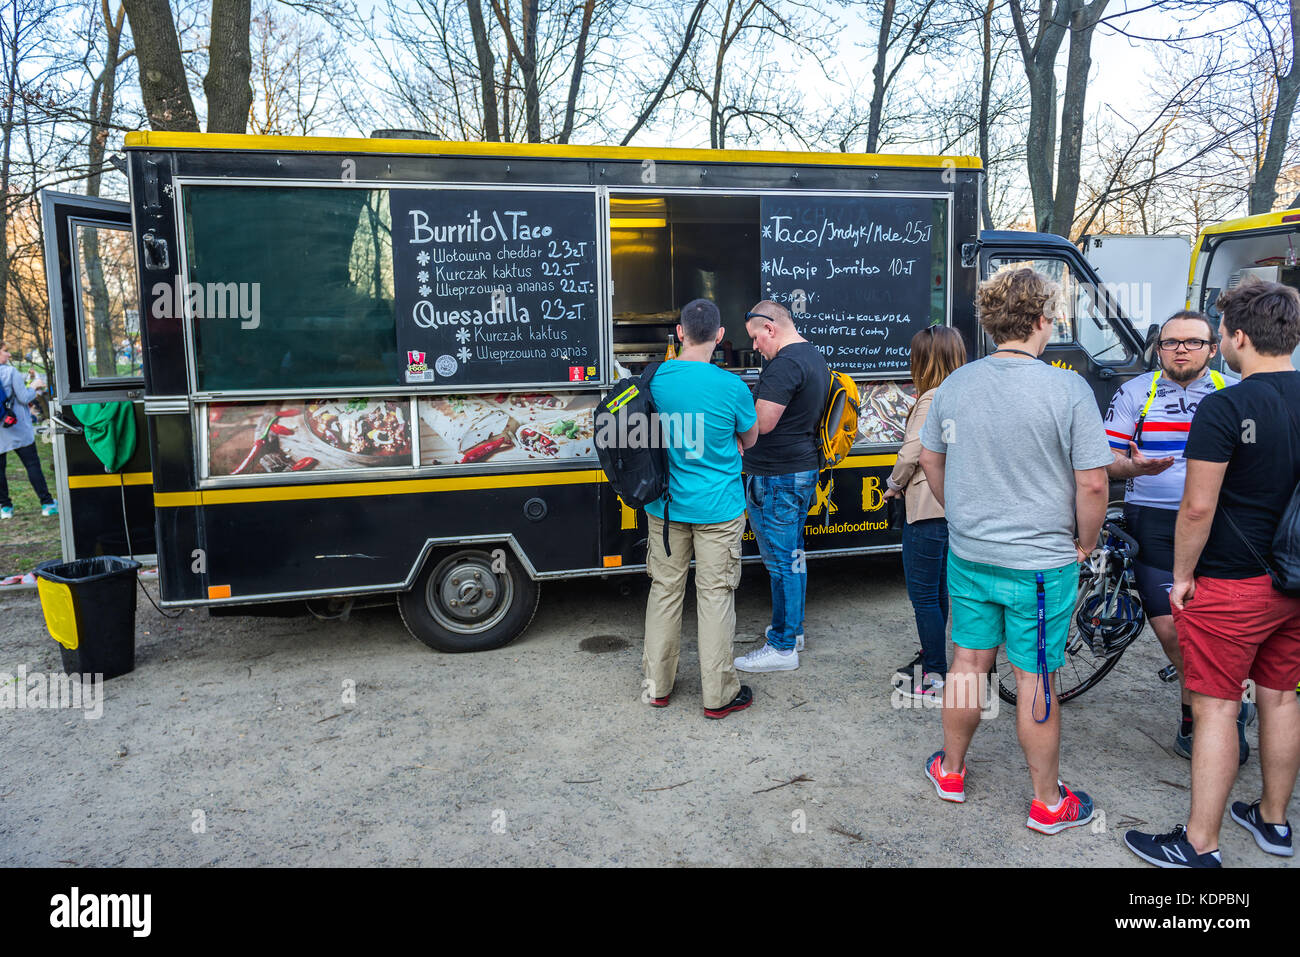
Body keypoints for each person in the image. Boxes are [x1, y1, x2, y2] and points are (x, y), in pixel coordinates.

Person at [917, 267, 1111, 833]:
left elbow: (930, 459)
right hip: (1042, 564)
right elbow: (1094, 482)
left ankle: (950, 772)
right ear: (1042, 320)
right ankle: (1049, 804)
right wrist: (1087, 541)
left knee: (967, 664)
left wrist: (961, 511)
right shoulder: (1067, 387)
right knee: (1036, 678)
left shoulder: (955, 385)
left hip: (971, 553)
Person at [1125, 278, 1300, 867]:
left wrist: (1180, 577)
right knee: (1280, 699)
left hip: (1231, 580)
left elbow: (1197, 506)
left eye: (1219, 333)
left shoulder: (1226, 404)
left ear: (1238, 336)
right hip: (1294, 578)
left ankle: (1199, 844)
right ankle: (1273, 822)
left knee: (1218, 706)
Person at [1104, 311, 1256, 764]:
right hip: (1153, 518)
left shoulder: (1235, 393)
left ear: (1213, 348)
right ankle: (1208, 709)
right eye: (1170, 342)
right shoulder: (1135, 391)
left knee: (1224, 627)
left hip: (1223, 523)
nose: (1180, 349)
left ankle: (1217, 714)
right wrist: (1133, 467)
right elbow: (1106, 460)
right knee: (1173, 629)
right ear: (1158, 348)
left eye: (1193, 342)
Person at [643, 299, 760, 719]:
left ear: (679, 333)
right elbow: (751, 439)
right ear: (720, 337)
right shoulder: (732, 388)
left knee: (664, 593)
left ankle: (657, 686)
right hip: (719, 508)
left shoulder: (655, 379)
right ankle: (718, 695)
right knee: (715, 598)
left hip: (666, 507)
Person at [733, 300, 830, 674]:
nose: (755, 346)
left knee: (780, 563)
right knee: (793, 556)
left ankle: (782, 646)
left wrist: (733, 426)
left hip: (777, 476)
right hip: (800, 469)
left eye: (756, 338)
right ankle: (794, 630)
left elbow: (762, 422)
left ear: (770, 329)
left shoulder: (784, 364)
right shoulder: (812, 356)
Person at [885, 324, 967, 699]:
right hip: (952, 507)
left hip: (926, 507)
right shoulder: (964, 393)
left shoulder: (932, 398)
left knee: (922, 594)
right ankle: (934, 657)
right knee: (939, 589)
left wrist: (894, 484)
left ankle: (934, 671)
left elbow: (912, 451)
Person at [0, 340, 56, 520]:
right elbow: (24, 398)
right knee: (32, 465)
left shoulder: (10, 372)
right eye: (5, 351)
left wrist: (26, 379)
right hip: (16, 426)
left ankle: (5, 508)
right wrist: (35, 386)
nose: (9, 355)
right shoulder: (10, 371)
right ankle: (47, 503)